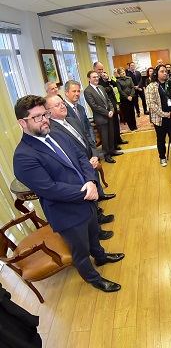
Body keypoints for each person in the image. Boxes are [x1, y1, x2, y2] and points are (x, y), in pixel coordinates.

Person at [13, 95, 125, 293]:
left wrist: (91, 181)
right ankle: (94, 279)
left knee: (93, 235)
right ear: (23, 123)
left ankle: (100, 257)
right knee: (80, 251)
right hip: (66, 214)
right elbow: (49, 188)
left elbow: (81, 158)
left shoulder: (56, 134)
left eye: (45, 114)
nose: (45, 120)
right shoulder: (23, 156)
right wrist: (87, 191)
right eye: (37, 117)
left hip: (87, 201)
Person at [45, 95, 116, 238]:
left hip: (91, 160)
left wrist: (95, 154)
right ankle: (97, 231)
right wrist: (85, 163)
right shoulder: (51, 130)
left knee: (94, 192)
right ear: (48, 112)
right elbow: (66, 154)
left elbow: (88, 138)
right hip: (80, 168)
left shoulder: (71, 120)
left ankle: (98, 217)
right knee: (87, 199)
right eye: (57, 105)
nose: (63, 106)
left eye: (62, 103)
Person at [63, 80, 116, 202]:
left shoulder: (80, 108)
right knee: (86, 176)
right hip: (77, 151)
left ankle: (100, 194)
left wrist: (94, 150)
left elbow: (88, 128)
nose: (77, 94)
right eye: (74, 91)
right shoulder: (64, 111)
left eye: (78, 91)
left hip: (88, 148)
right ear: (66, 92)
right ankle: (94, 203)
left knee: (93, 171)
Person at [83, 70, 122, 164]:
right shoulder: (87, 91)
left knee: (111, 135)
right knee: (104, 138)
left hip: (110, 115)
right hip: (101, 118)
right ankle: (107, 155)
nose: (96, 79)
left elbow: (108, 100)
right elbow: (94, 106)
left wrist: (112, 110)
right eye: (94, 77)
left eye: (97, 77)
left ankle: (112, 151)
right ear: (89, 79)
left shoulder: (101, 87)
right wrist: (107, 112)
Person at [93, 62, 127, 147]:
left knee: (116, 123)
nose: (101, 71)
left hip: (113, 103)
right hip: (106, 106)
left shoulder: (105, 76)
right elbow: (103, 91)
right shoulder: (95, 79)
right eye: (99, 69)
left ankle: (119, 139)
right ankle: (114, 144)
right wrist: (110, 88)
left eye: (102, 69)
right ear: (95, 69)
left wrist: (108, 79)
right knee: (111, 127)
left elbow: (115, 85)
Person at [116, 67, 138, 131]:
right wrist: (127, 97)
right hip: (124, 99)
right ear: (119, 74)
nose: (123, 73)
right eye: (121, 72)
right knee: (127, 113)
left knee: (132, 112)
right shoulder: (118, 81)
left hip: (131, 98)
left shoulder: (129, 78)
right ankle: (131, 126)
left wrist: (131, 96)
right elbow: (120, 90)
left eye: (124, 72)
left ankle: (134, 125)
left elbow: (132, 87)